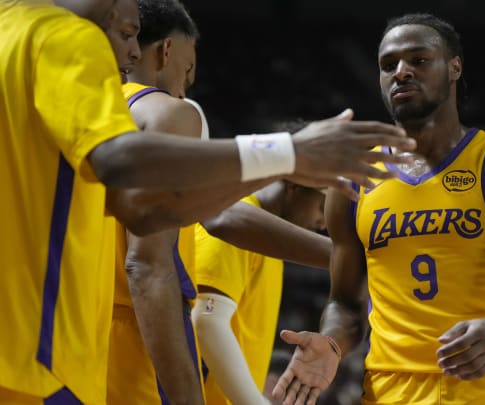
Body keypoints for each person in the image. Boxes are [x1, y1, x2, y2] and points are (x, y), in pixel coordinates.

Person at [0, 0, 415, 402]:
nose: (128, 47)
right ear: (168, 52)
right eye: (125, 31)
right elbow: (150, 258)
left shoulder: (14, 34)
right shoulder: (157, 103)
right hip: (65, 345)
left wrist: (345, 252)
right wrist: (287, 152)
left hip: (63, 339)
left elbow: (152, 210)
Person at [272, 13, 485, 405]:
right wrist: (331, 344)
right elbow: (345, 304)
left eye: (418, 60)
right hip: (390, 390)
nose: (401, 72)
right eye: (389, 65)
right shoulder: (353, 179)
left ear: (454, 66)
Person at [106, 1, 205, 404]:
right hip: (138, 331)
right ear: (166, 52)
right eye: (187, 70)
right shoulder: (169, 114)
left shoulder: (79, 107)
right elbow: (146, 266)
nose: (184, 89)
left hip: (64, 327)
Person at [193, 179, 331, 405]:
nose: (323, 223)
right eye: (322, 207)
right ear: (295, 185)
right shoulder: (238, 222)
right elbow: (207, 320)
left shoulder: (269, 243)